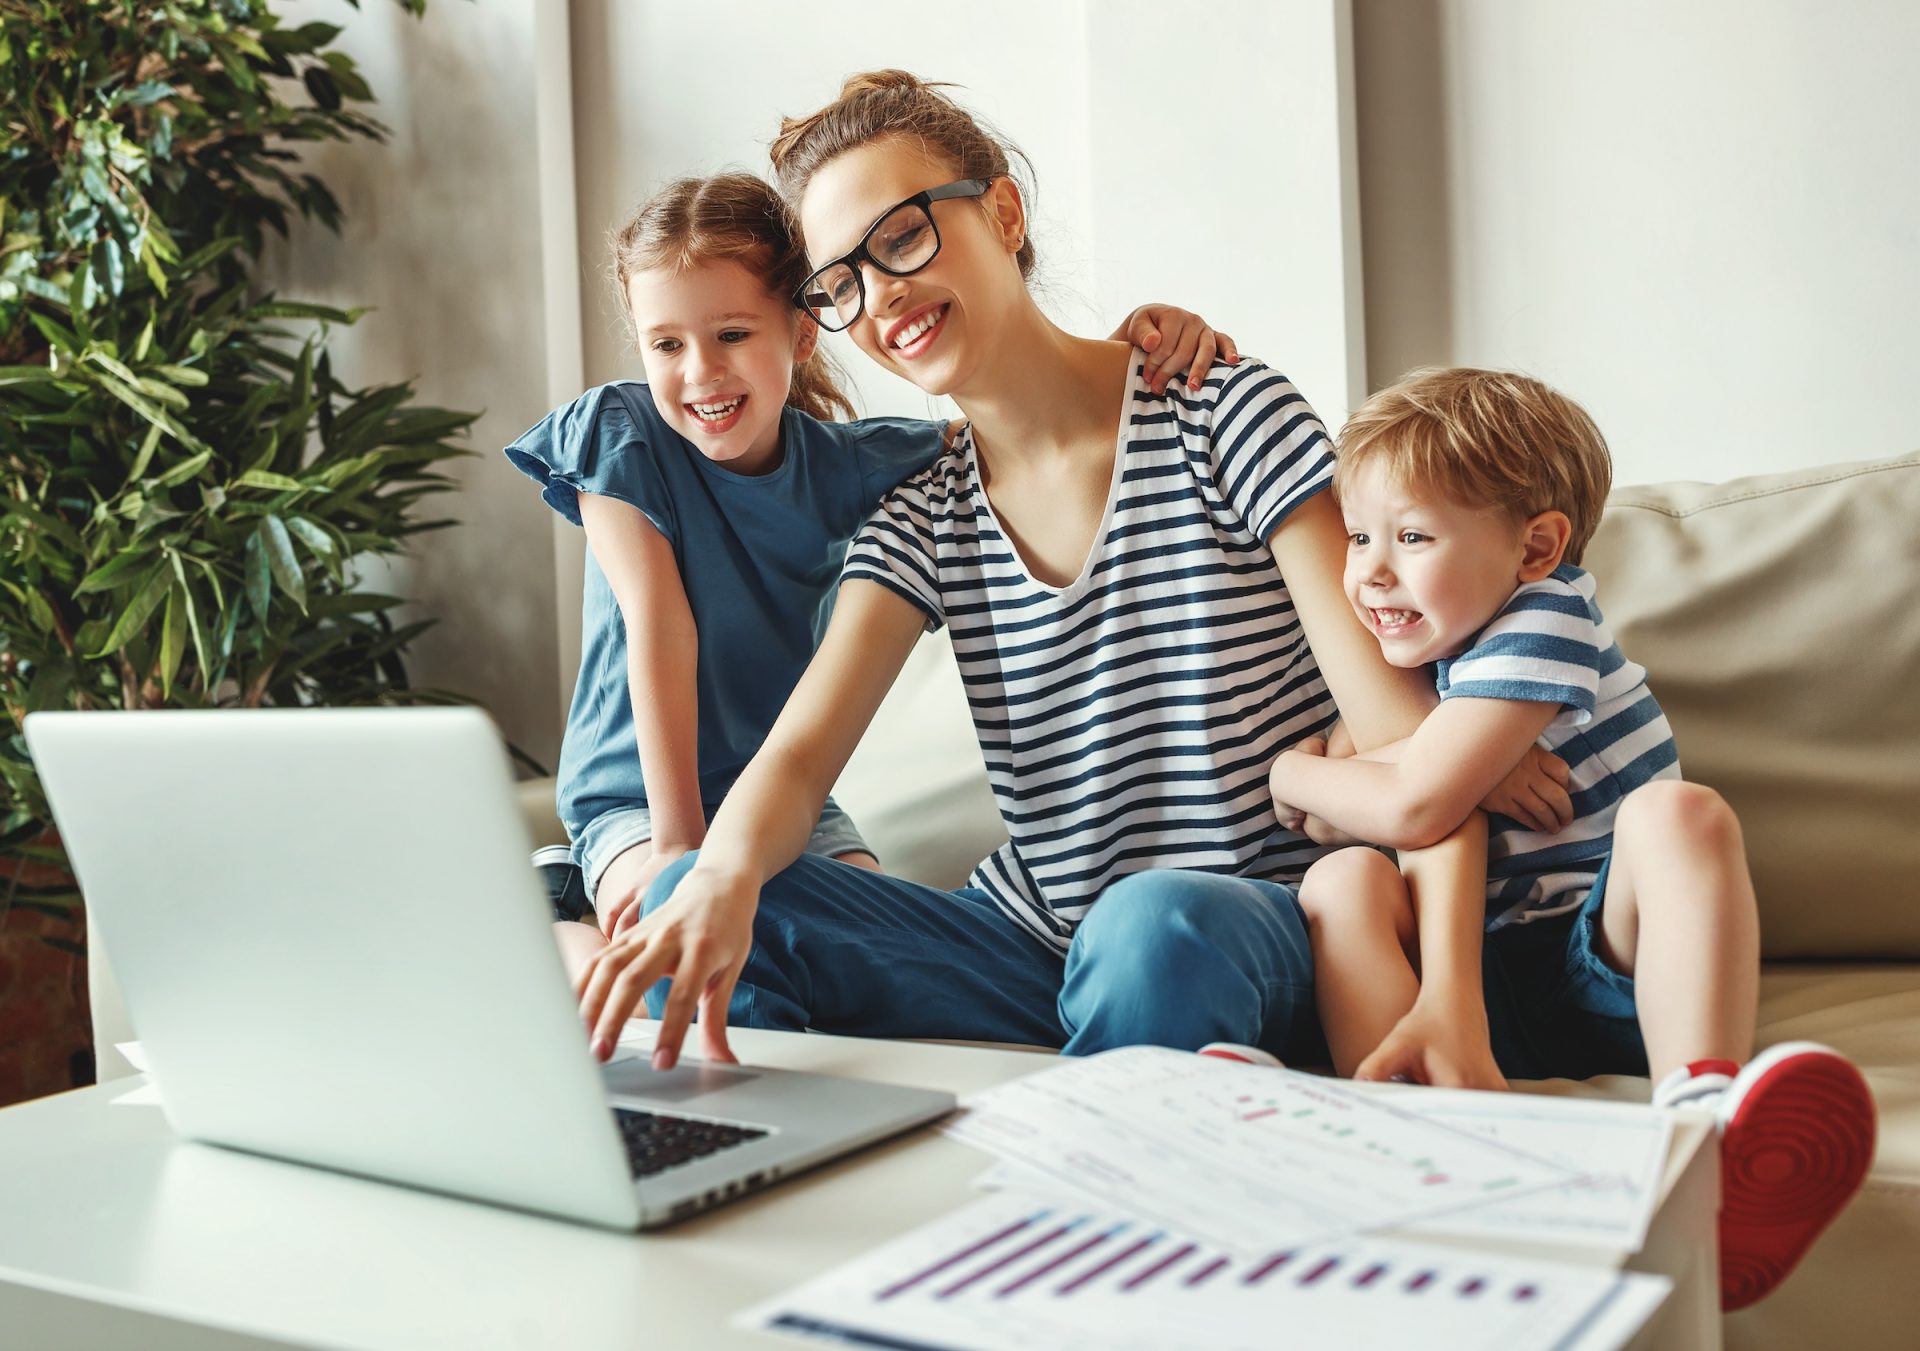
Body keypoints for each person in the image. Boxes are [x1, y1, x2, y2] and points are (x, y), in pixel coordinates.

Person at [574, 71, 1554, 1088]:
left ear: (1002, 211)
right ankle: (790, 1186)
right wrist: (718, 874)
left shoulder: (1220, 413)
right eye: (842, 281)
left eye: (903, 235)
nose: (883, 295)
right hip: (1027, 944)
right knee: (698, 890)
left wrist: (1452, 993)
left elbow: (1404, 753)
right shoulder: (922, 508)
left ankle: (1088, 1165)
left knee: (1150, 926)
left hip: (1245, 924)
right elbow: (794, 765)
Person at [505, 171, 1237, 978]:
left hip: (779, 803)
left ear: (803, 332)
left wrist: (1139, 346)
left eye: (734, 335)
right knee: (675, 938)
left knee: (881, 959)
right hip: (640, 798)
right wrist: (682, 853)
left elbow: (1016, 424)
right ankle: (556, 933)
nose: (700, 373)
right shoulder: (621, 430)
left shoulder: (851, 466)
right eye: (666, 344)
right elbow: (658, 622)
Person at [1263, 366, 1876, 1310]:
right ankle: (1410, 1137)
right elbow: (1383, 795)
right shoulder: (1425, 655)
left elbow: (1415, 804)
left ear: (1537, 546)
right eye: (1357, 536)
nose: (1370, 572)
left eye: (1412, 537)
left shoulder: (1545, 618)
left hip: (1605, 961)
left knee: (1679, 813)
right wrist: (1374, 768)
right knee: (1343, 880)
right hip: (1473, 983)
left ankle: (1703, 1130)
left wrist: (1290, 773)